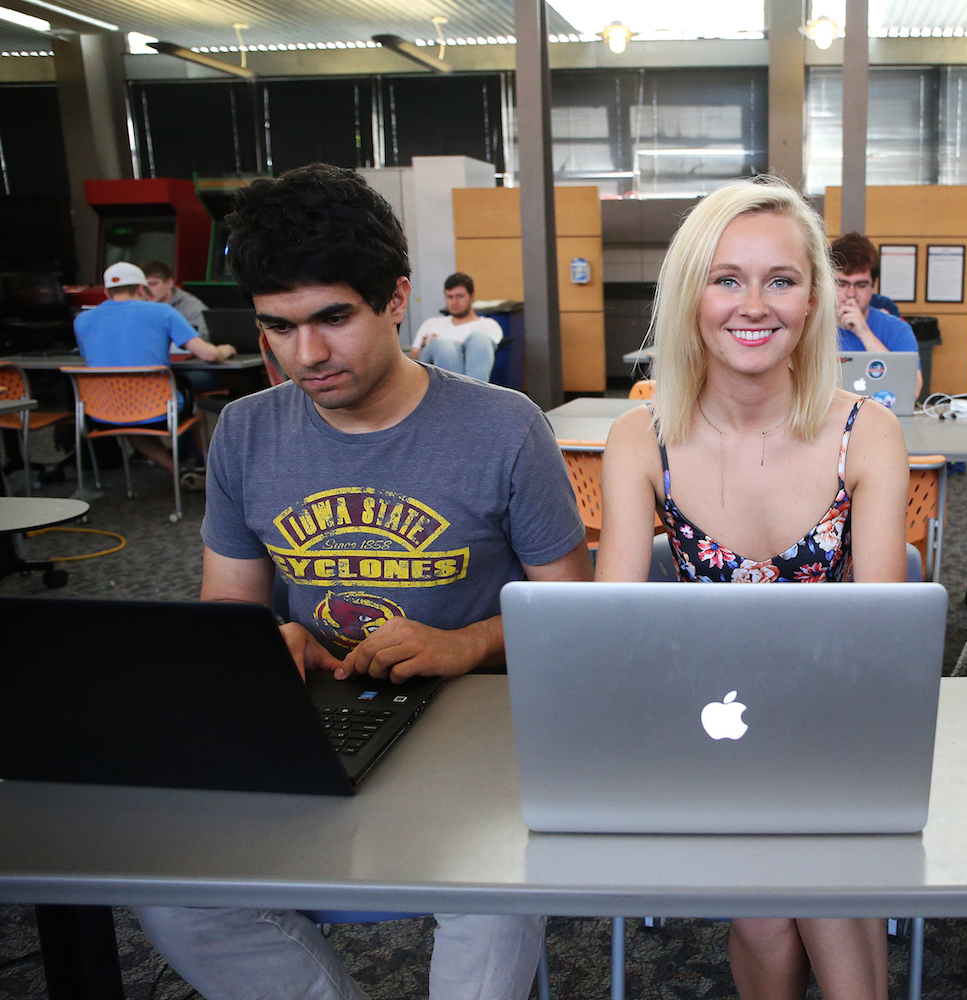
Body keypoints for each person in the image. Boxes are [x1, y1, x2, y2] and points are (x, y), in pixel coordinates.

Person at [131, 164, 593, 1000]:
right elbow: (226, 614)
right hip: (315, 723)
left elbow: (574, 621)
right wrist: (267, 643)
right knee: (172, 900)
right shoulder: (244, 432)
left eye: (332, 319)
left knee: (495, 891)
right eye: (277, 327)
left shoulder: (505, 429)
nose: (305, 355)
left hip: (477, 736)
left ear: (395, 300)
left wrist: (465, 643)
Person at [596, 178, 909, 1000]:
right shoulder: (641, 438)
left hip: (839, 717)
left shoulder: (866, 432)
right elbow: (608, 639)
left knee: (818, 899)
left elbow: (884, 650)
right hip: (709, 724)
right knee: (772, 920)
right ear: (691, 293)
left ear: (813, 300)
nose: (754, 304)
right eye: (726, 277)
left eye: (781, 279)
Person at [72, 261, 236, 474]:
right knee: (195, 408)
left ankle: (177, 474)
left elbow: (91, 357)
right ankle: (212, 474)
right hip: (159, 406)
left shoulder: (82, 320)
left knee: (134, 429)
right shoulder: (163, 312)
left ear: (106, 291)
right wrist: (225, 349)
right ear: (141, 288)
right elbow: (209, 354)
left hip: (103, 410)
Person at [830, 231, 923, 399]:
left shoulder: (898, 329)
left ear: (874, 285)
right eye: (842, 284)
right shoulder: (808, 326)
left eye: (861, 285)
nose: (851, 294)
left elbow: (912, 391)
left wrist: (864, 333)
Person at [408, 272, 504, 382]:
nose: (454, 302)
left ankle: (471, 393)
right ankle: (466, 395)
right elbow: (411, 360)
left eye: (460, 296)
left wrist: (447, 343)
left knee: (479, 338)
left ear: (471, 296)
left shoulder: (488, 325)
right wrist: (425, 347)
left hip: (473, 372)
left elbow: (483, 354)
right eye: (450, 297)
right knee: (442, 344)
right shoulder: (431, 323)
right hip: (430, 376)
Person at [142, 259, 210, 338]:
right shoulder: (136, 304)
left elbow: (203, 339)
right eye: (143, 286)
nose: (148, 290)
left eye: (153, 284)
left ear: (169, 283)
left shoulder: (192, 307)